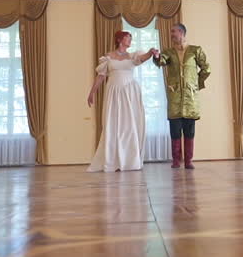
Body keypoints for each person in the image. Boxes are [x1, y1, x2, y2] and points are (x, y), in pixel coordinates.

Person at [86, 31, 158, 172]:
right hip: (113, 92)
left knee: (129, 125)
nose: (130, 40)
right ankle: (113, 161)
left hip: (129, 92)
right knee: (112, 124)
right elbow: (101, 76)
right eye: (127, 37)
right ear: (119, 39)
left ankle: (129, 161)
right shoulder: (108, 57)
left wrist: (150, 52)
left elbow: (142, 58)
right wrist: (92, 93)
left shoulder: (132, 56)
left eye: (131, 38)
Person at [153, 23, 210, 169]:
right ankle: (176, 160)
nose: (171, 34)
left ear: (181, 32)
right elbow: (161, 61)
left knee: (189, 131)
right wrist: (157, 56)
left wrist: (196, 84)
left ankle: (189, 160)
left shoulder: (195, 50)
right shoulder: (169, 52)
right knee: (175, 130)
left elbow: (206, 68)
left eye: (173, 32)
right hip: (175, 97)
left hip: (190, 98)